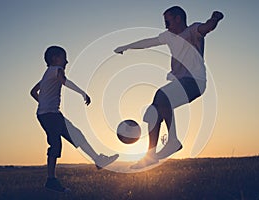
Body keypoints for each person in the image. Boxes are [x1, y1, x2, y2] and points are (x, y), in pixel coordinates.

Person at [114, 6, 223, 169]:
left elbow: (207, 27)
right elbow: (148, 42)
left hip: (195, 82)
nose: (165, 25)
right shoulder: (168, 36)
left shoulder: (193, 31)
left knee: (161, 95)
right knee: (153, 111)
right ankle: (150, 155)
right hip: (180, 82)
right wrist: (126, 46)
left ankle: (173, 141)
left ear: (178, 19)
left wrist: (215, 18)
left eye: (167, 21)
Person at [30, 46, 119, 192]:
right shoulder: (57, 70)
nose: (67, 61)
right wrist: (82, 93)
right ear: (54, 59)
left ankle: (97, 161)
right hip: (50, 115)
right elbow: (64, 81)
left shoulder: (46, 74)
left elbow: (33, 92)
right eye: (63, 57)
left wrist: (43, 103)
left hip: (48, 115)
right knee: (60, 143)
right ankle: (52, 180)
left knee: (70, 138)